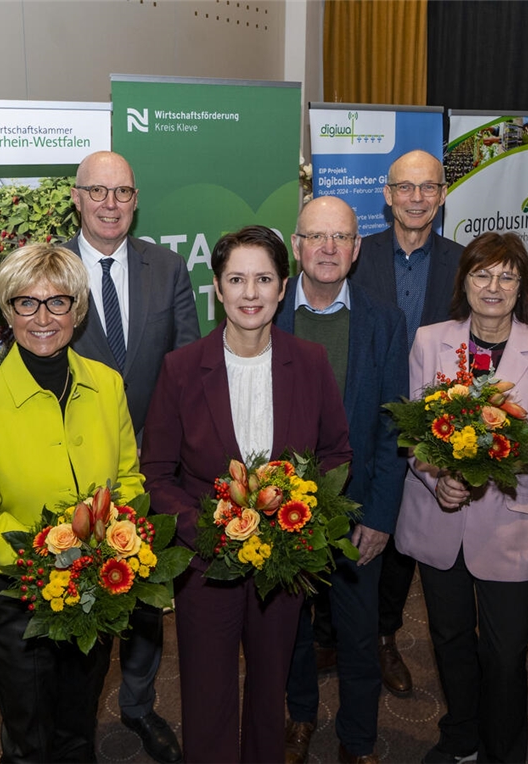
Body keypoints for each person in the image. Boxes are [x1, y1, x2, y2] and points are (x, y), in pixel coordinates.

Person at [141, 225, 353, 763]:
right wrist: (206, 530)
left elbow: (336, 453)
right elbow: (157, 473)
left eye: (263, 279)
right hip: (205, 564)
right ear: (217, 288)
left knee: (269, 690)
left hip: (283, 563)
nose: (250, 293)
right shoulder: (181, 369)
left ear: (283, 287)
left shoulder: (310, 362)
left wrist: (301, 519)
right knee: (206, 693)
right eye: (236, 279)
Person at [0, 242, 144, 762]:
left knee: (80, 722)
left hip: (98, 585)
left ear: (77, 310)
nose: (43, 317)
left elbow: (128, 478)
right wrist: (47, 569)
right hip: (21, 596)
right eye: (27, 302)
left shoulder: (108, 384)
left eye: (58, 301)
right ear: (8, 310)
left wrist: (109, 553)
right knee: (30, 734)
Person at [395, 232, 528, 763]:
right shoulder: (430, 341)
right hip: (439, 518)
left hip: (510, 521)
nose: (493, 286)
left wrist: (496, 452)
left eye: (506, 276)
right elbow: (413, 434)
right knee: (449, 640)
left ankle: (503, 752)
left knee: (506, 651)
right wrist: (438, 478)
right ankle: (460, 737)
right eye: (481, 274)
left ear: (521, 287)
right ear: (465, 282)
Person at [63, 150, 198, 763]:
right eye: (98, 191)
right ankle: (77, 720)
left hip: (152, 466)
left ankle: (139, 706)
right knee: (80, 594)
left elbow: (187, 364)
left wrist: (159, 447)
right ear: (77, 197)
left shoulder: (166, 267)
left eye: (122, 192)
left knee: (144, 596)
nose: (110, 203)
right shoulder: (51, 268)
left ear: (136, 200)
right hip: (74, 468)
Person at [277, 197, 408, 764]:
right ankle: (301, 717)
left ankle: (359, 740)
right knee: (292, 633)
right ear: (297, 245)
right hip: (280, 512)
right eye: (316, 236)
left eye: (341, 238)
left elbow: (394, 427)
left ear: (357, 250)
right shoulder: (265, 312)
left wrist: (380, 516)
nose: (328, 248)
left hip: (357, 516)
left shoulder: (385, 321)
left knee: (358, 638)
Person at [349, 149, 464, 697]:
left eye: (428, 187)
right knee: (349, 524)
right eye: (405, 187)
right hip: (364, 414)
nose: (417, 198)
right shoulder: (355, 254)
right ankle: (333, 633)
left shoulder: (464, 263)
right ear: (387, 195)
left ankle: (384, 634)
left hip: (434, 425)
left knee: (400, 541)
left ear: (442, 195)